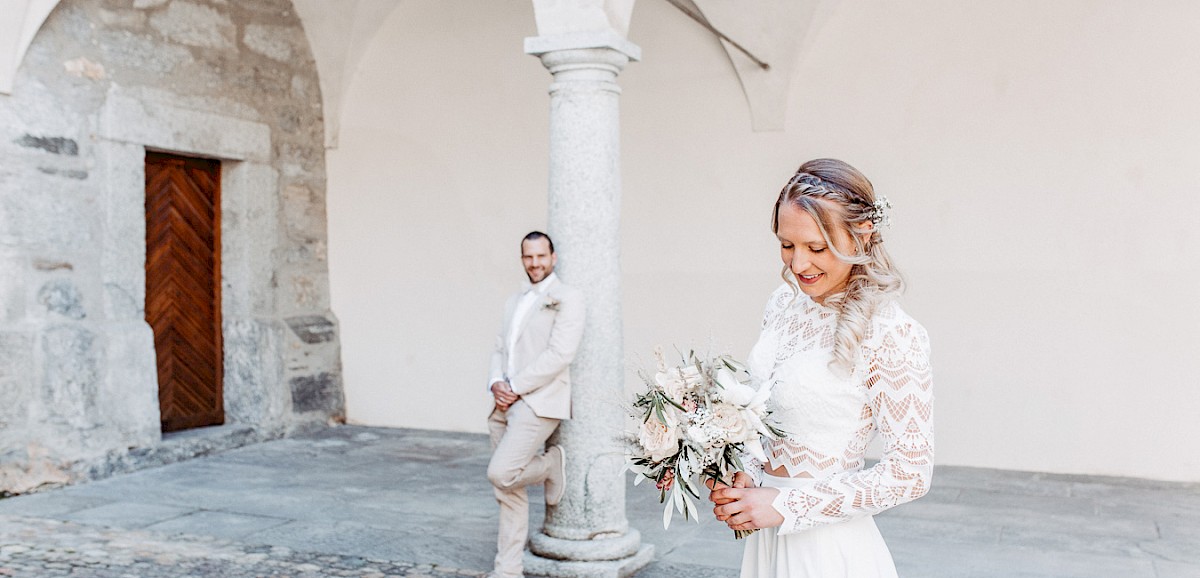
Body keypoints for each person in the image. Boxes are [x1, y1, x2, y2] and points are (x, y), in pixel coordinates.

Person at [707, 159, 934, 577]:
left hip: (827, 548)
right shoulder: (782, 305)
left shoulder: (891, 332)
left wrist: (787, 505)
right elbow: (770, 417)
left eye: (816, 248)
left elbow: (910, 473)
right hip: (766, 540)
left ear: (860, 236)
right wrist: (742, 475)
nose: (797, 265)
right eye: (786, 245)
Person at [486, 231, 586, 578]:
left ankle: (549, 465)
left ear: (553, 257)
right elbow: (500, 347)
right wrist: (496, 382)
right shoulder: (515, 300)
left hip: (539, 403)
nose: (535, 263)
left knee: (501, 473)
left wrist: (514, 386)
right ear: (522, 259)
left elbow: (561, 354)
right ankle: (508, 570)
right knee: (507, 491)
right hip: (503, 404)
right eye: (529, 257)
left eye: (541, 256)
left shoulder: (569, 298)